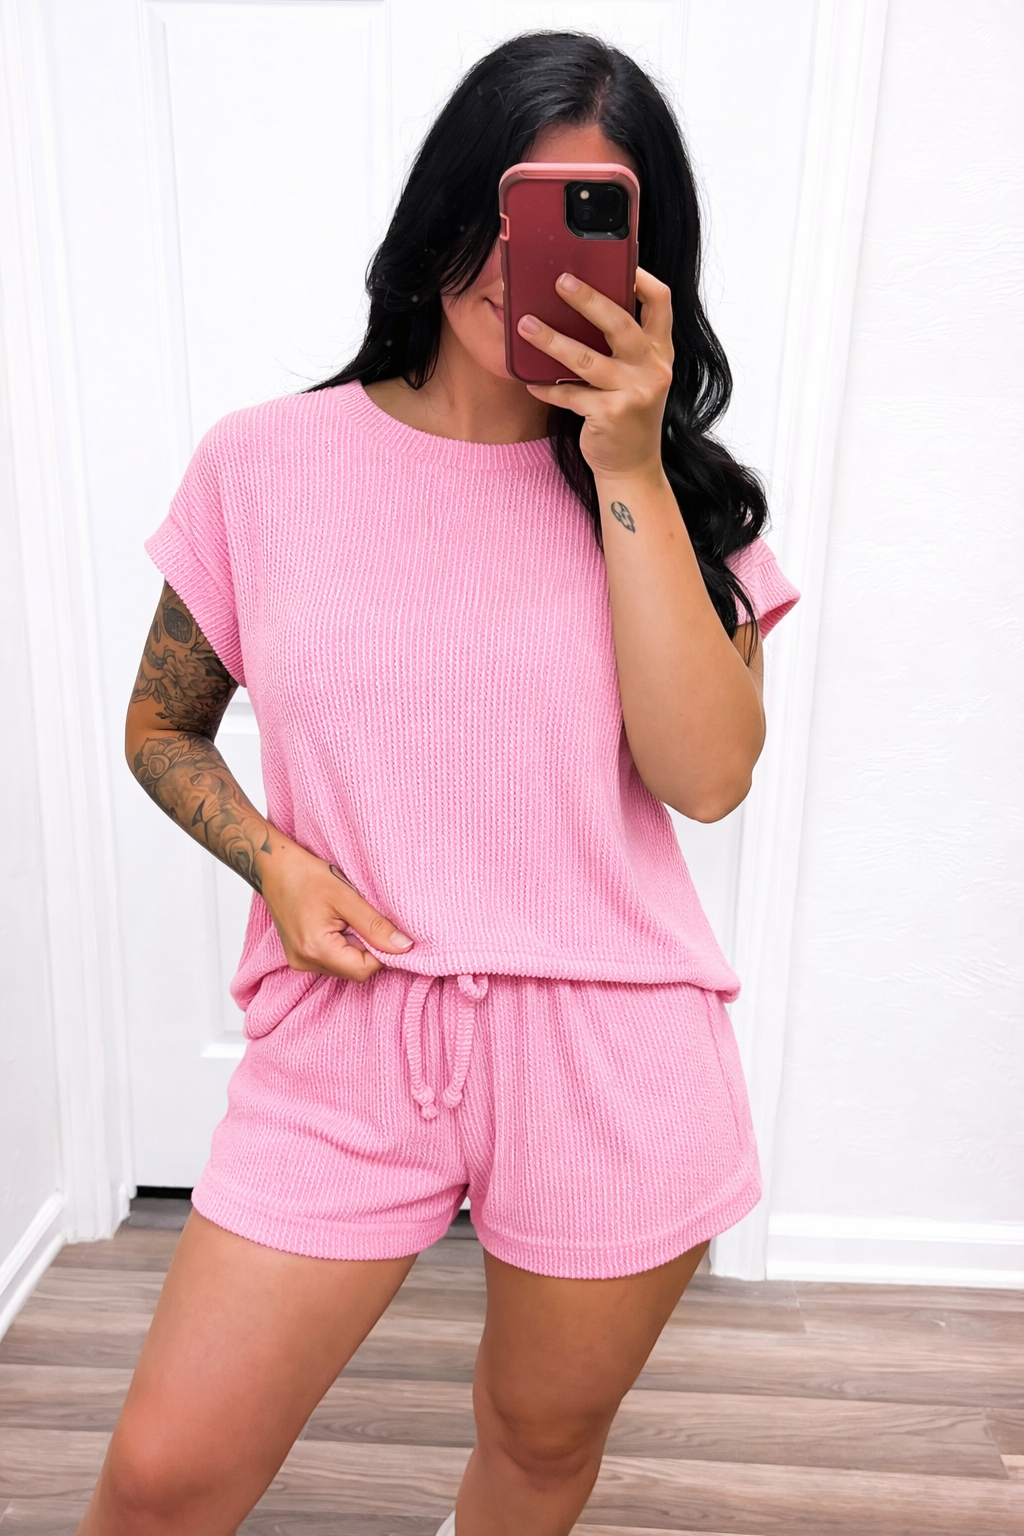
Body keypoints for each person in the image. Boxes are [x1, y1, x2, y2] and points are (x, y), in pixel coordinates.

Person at [79, 30, 799, 1536]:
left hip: (610, 1046)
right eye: (507, 207)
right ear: (446, 207)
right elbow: (161, 727)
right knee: (160, 1481)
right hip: (349, 1032)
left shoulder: (676, 493)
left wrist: (626, 465)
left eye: (584, 225)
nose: (520, 265)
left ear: (641, 267)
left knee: (537, 1446)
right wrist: (277, 863)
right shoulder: (264, 466)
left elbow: (708, 777)